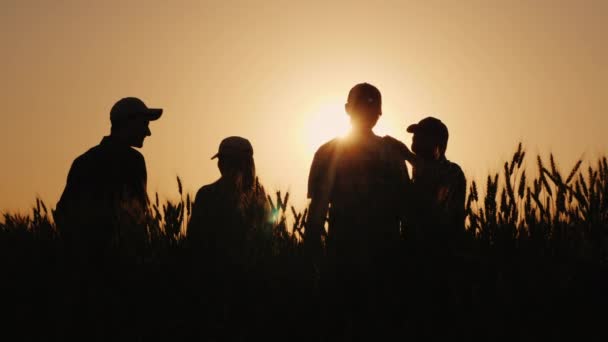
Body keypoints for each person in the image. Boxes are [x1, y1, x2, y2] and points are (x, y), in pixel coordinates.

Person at [305, 83, 410, 339]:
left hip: (346, 257)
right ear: (380, 114)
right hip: (381, 258)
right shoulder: (391, 152)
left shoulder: (328, 152)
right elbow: (406, 207)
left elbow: (317, 211)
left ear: (347, 110)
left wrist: (309, 255)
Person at [55, 97, 162, 261]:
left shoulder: (84, 160)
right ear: (129, 122)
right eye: (144, 124)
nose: (148, 132)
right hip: (122, 262)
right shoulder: (133, 160)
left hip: (84, 262)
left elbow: (64, 211)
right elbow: (136, 214)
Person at [186, 136, 270, 339]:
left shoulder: (207, 194)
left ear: (223, 163)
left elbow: (194, 240)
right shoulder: (260, 197)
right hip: (253, 287)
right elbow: (268, 241)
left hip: (212, 286)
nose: (219, 165)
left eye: (221, 160)